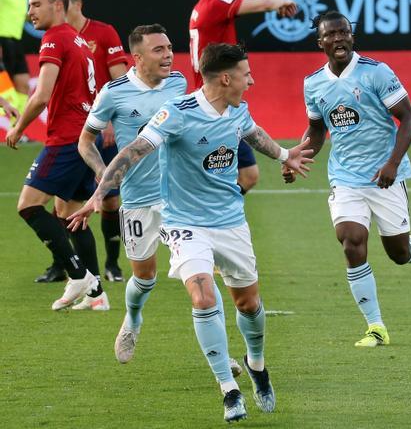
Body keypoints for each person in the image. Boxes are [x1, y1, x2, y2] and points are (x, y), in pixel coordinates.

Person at [69, 43, 314, 422]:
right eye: (247, 74)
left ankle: (257, 365)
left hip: (230, 222)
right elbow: (133, 149)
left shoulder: (237, 109)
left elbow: (253, 133)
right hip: (184, 223)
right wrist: (100, 193)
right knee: (201, 295)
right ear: (226, 78)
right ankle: (228, 390)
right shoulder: (177, 114)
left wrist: (284, 155)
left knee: (248, 304)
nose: (252, 80)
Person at [291, 10, 411, 348]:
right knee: (351, 240)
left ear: (351, 37)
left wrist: (392, 163)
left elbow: (409, 119)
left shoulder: (376, 73)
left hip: (385, 176)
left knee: (398, 254)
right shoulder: (313, 83)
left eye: (344, 32)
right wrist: (296, 156)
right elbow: (316, 129)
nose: (338, 38)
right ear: (320, 42)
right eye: (331, 34)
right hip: (345, 177)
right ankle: (376, 327)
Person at [77, 25, 186, 339]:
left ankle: (221, 359)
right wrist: (102, 172)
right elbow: (85, 141)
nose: (168, 56)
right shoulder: (114, 92)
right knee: (144, 277)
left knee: (198, 276)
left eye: (169, 48)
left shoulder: (178, 83)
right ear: (137, 58)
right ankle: (133, 317)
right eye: (159, 50)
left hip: (177, 198)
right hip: (137, 199)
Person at [6, 0, 104, 310]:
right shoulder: (78, 40)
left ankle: (79, 275)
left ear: (57, 6)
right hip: (85, 136)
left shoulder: (54, 39)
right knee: (70, 214)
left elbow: (42, 94)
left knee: (28, 206)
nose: (29, 11)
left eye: (35, 4)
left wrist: (19, 127)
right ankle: (97, 295)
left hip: (66, 139)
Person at [35, 0, 130, 285]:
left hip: (103, 131)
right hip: (76, 132)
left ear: (73, 5)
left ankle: (111, 265)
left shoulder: (102, 33)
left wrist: (113, 118)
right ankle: (63, 265)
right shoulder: (63, 38)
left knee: (109, 202)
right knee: (63, 205)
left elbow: (120, 81)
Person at [189, 0, 297, 195]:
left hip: (222, 103)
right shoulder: (215, 4)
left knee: (248, 175)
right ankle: (207, 216)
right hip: (212, 105)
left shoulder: (201, 8)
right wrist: (280, 1)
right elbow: (258, 5)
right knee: (209, 177)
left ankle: (217, 213)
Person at [0, 0, 30, 110]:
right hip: (2, 42)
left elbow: (21, 16)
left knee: (23, 85)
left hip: (16, 44)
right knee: (5, 92)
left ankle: (17, 130)